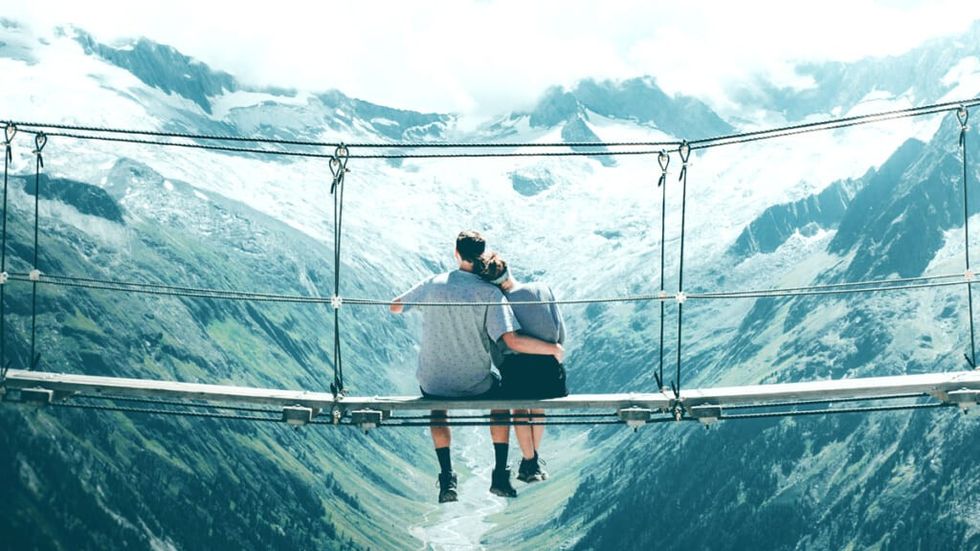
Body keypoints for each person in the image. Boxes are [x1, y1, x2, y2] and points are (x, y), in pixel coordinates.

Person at [390, 231, 564, 503]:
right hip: (476, 383)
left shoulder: (433, 284)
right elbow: (511, 340)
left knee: (437, 406)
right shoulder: (489, 292)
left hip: (433, 381)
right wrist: (552, 349)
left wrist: (432, 307)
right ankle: (500, 474)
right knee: (502, 399)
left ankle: (447, 476)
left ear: (455, 252)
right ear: (482, 254)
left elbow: (396, 307)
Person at [479, 252, 567, 483]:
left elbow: (503, 345)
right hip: (551, 374)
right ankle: (531, 462)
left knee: (519, 408)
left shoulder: (499, 302)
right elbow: (561, 334)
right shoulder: (542, 288)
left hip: (517, 374)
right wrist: (551, 349)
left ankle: (530, 461)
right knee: (538, 408)